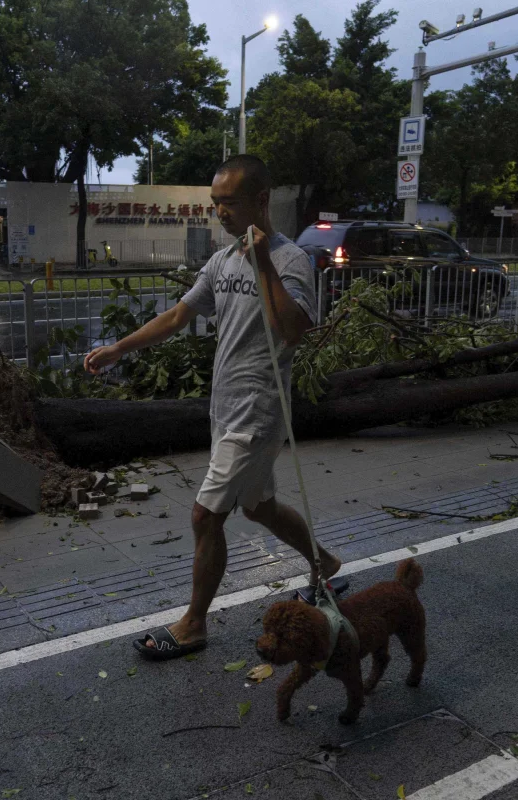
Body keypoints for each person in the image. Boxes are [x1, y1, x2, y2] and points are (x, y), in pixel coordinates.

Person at [84, 154, 342, 661]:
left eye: (229, 202)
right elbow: (181, 314)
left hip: (258, 411)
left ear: (261, 201)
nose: (219, 212)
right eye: (215, 203)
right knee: (260, 507)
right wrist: (120, 348)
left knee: (206, 516)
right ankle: (325, 563)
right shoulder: (222, 262)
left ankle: (193, 624)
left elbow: (294, 330)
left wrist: (262, 261)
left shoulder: (292, 260)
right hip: (225, 410)